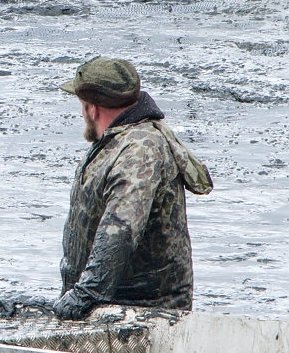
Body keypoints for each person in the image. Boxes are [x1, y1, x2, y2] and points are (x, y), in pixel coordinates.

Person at [54, 57, 213, 321]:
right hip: (108, 307)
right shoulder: (119, 140)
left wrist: (84, 295)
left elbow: (120, 229)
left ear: (92, 109)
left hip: (145, 315)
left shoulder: (140, 149)